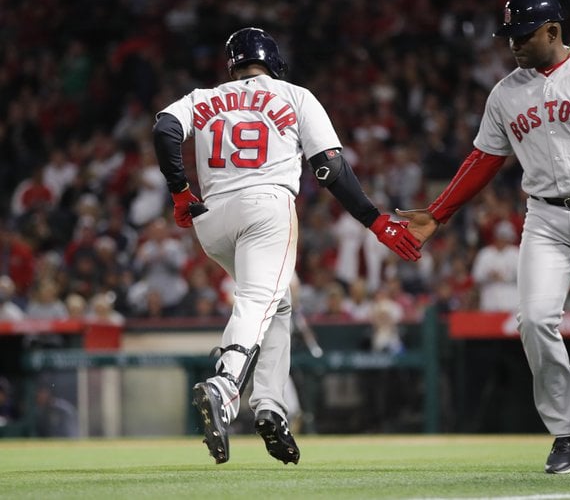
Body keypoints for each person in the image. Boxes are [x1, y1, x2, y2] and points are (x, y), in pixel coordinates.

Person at [398, 0, 570, 476]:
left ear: (553, 31)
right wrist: (439, 214)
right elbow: (483, 159)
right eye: (508, 37)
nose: (513, 45)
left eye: (522, 36)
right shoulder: (505, 92)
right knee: (533, 319)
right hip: (544, 216)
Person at [152, 27, 420, 465]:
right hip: (265, 206)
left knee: (277, 303)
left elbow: (164, 130)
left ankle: (271, 407)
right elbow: (329, 168)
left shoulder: (203, 97)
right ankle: (225, 384)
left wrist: (181, 191)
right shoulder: (294, 95)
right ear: (273, 62)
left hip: (212, 219)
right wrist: (373, 220)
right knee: (259, 299)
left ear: (232, 66)